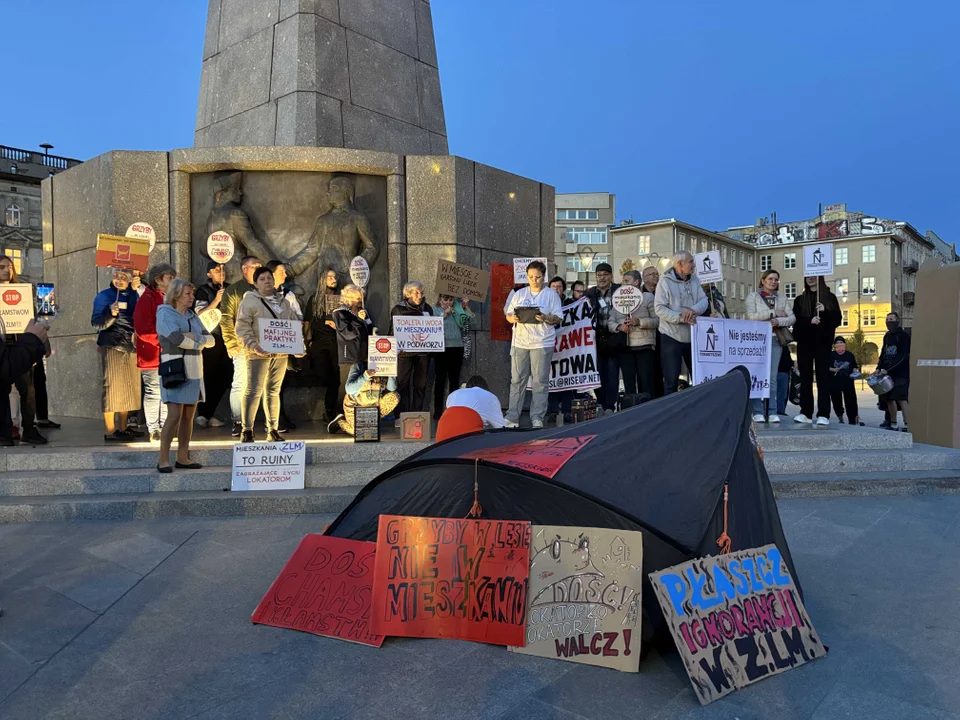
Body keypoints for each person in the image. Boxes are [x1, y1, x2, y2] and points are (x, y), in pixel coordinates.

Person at [235, 267, 302, 443]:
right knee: (253, 390)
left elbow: (294, 325)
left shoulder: (284, 302)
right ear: (255, 283)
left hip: (280, 353)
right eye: (262, 279)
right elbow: (242, 328)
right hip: (258, 353)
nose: (267, 281)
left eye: (269, 278)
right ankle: (247, 430)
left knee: (273, 391)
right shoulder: (249, 301)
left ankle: (272, 429)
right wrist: (253, 345)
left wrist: (298, 346)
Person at [155, 279, 215, 472]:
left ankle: (183, 456)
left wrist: (194, 337)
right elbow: (176, 339)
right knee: (174, 415)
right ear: (176, 294)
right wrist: (199, 342)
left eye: (192, 293)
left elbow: (212, 340)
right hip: (175, 367)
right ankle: (163, 458)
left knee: (188, 416)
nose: (192, 297)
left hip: (195, 369)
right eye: (188, 294)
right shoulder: (165, 313)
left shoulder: (193, 316)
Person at [504, 261, 562, 429]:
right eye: (530, 277)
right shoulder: (519, 293)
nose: (534, 280)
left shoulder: (551, 295)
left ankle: (537, 416)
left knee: (540, 381)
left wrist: (545, 317)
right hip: (520, 341)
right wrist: (512, 318)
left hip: (542, 342)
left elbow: (558, 318)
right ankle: (512, 416)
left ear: (544, 277)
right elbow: (508, 314)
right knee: (517, 380)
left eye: (537, 277)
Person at [91, 270, 144, 442]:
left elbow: (140, 315)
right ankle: (110, 430)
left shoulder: (134, 293)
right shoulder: (104, 296)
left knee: (130, 388)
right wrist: (111, 314)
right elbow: (96, 323)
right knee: (112, 388)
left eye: (123, 277)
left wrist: (137, 291)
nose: (119, 280)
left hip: (132, 345)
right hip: (112, 344)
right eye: (116, 276)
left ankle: (123, 427)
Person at [0, 255, 46, 445]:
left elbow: (32, 321)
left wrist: (35, 348)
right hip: (3, 349)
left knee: (28, 391)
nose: (6, 270)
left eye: (9, 267)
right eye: (2, 266)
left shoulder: (23, 294)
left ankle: (29, 428)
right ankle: (7, 429)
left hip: (21, 345)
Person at [745, 270, 795, 424]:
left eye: (776, 279)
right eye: (770, 279)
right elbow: (751, 316)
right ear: (763, 280)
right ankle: (757, 410)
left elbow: (792, 318)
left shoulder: (781, 298)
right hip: (756, 340)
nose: (773, 282)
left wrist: (778, 321)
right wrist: (773, 312)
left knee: (772, 377)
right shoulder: (753, 296)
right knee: (756, 375)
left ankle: (772, 410)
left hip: (774, 340)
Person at [655, 252, 707, 395]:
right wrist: (681, 318)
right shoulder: (664, 282)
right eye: (690, 262)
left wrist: (693, 310)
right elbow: (659, 308)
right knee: (671, 380)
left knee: (698, 378)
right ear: (679, 265)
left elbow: (704, 301)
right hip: (671, 336)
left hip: (692, 336)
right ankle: (670, 414)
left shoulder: (695, 280)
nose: (694, 265)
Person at [134, 263, 176, 442]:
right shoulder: (147, 298)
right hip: (152, 353)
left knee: (168, 391)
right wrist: (163, 341)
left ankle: (166, 427)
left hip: (170, 352)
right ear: (158, 280)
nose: (173, 281)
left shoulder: (172, 298)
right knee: (153, 392)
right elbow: (143, 328)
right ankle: (154, 429)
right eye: (170, 278)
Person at [221, 255, 262, 436]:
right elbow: (226, 318)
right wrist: (230, 343)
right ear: (244, 269)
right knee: (240, 383)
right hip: (242, 345)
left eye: (260, 266)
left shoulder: (264, 289)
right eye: (255, 266)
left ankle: (255, 421)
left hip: (263, 345)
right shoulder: (234, 290)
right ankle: (238, 420)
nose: (259, 268)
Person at [792, 276, 841, 425]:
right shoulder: (800, 300)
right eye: (807, 276)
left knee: (823, 378)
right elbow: (796, 324)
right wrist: (809, 321)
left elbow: (837, 320)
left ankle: (823, 413)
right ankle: (805, 412)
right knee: (805, 378)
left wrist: (825, 311)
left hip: (822, 344)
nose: (810, 279)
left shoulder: (829, 297)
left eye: (814, 276)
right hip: (805, 344)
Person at [266, 260, 305, 432]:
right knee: (269, 385)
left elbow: (298, 316)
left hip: (285, 344)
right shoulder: (260, 296)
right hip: (267, 347)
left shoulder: (288, 295)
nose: (286, 274)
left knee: (282, 382)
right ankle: (271, 421)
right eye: (282, 271)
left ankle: (280, 416)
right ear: (272, 274)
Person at [608, 269, 659, 398]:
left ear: (636, 282)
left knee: (646, 381)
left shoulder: (648, 297)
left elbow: (657, 321)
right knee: (628, 383)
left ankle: (648, 408)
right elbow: (610, 321)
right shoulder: (619, 299)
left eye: (626, 281)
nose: (623, 284)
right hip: (625, 346)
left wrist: (639, 322)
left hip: (644, 345)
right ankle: (630, 409)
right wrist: (619, 326)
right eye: (622, 281)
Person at [0, 319, 48, 448]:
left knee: (28, 392)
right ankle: (14, 426)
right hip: (15, 355)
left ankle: (28, 429)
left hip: (20, 355)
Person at [390, 281, 434, 415]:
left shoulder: (427, 308)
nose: (420, 295)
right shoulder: (398, 309)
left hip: (422, 353)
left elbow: (432, 330)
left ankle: (417, 414)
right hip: (404, 353)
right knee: (402, 384)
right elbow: (392, 331)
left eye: (421, 292)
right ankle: (400, 415)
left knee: (420, 385)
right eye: (416, 292)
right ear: (407, 293)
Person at [193, 261, 228, 428]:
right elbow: (200, 313)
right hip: (210, 337)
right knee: (209, 376)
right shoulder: (202, 291)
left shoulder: (229, 288)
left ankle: (211, 412)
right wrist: (216, 300)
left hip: (227, 337)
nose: (221, 272)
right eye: (216, 270)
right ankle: (203, 413)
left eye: (222, 269)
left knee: (225, 376)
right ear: (209, 274)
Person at [584, 263, 621, 414]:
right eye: (599, 275)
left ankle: (610, 406)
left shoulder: (619, 291)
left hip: (614, 335)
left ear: (611, 276)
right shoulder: (590, 293)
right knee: (597, 372)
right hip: (595, 337)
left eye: (605, 274)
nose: (602, 278)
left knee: (613, 373)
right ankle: (601, 402)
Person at [332, 284, 373, 419]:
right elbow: (348, 333)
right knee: (345, 386)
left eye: (361, 298)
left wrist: (365, 320)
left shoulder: (362, 312)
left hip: (363, 355)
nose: (360, 301)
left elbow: (369, 329)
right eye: (357, 298)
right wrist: (358, 320)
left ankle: (354, 416)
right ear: (349, 298)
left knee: (360, 387)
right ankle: (338, 414)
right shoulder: (339, 313)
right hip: (348, 356)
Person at [309, 268, 344, 422]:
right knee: (323, 375)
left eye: (334, 276)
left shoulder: (342, 298)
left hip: (336, 341)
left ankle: (330, 409)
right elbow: (307, 322)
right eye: (330, 277)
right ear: (322, 279)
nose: (333, 279)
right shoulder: (314, 300)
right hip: (319, 342)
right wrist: (307, 340)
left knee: (335, 377)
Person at [431, 294, 474, 419]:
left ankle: (453, 409)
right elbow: (431, 325)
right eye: (445, 300)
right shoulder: (434, 310)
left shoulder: (457, 309)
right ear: (440, 300)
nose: (448, 303)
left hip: (457, 347)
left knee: (454, 380)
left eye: (451, 300)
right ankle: (438, 411)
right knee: (440, 380)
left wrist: (465, 307)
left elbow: (469, 320)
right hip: (441, 348)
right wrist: (445, 314)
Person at [330, 362, 400, 436]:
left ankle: (371, 420)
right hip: (355, 406)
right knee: (358, 431)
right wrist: (365, 376)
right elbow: (349, 389)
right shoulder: (359, 366)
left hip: (373, 407)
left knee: (395, 396)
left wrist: (392, 372)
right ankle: (340, 421)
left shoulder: (384, 365)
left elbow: (392, 389)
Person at [546, 277, 574, 424]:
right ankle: (552, 410)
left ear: (563, 290)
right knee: (551, 378)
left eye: (559, 287)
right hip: (550, 345)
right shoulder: (544, 303)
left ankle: (567, 410)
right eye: (553, 286)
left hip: (567, 347)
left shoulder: (570, 304)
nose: (556, 289)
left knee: (566, 378)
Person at [877, 312, 911, 432]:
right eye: (887, 319)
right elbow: (883, 353)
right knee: (889, 398)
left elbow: (903, 356)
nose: (889, 322)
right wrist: (878, 368)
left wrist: (889, 369)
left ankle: (908, 424)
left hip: (901, 373)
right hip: (887, 374)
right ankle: (893, 423)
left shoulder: (903, 336)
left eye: (891, 319)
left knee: (901, 398)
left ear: (897, 321)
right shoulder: (887, 336)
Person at [641, 266, 664, 398]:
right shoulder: (639, 295)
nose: (655, 276)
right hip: (646, 339)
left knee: (661, 372)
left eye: (657, 274)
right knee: (647, 374)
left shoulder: (662, 293)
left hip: (662, 337)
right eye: (651, 274)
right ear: (644, 278)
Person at [829, 336, 860, 425]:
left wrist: (855, 373)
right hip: (835, 381)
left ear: (844, 344)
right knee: (836, 400)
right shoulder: (831, 355)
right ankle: (840, 417)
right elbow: (826, 367)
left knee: (851, 400)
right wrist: (833, 369)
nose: (839, 344)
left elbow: (854, 366)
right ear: (834, 345)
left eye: (841, 342)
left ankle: (853, 419)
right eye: (837, 343)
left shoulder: (849, 355)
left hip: (848, 381)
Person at [777, 345, 796, 417]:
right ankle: (780, 410)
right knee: (782, 392)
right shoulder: (788, 344)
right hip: (783, 369)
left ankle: (779, 409)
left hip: (784, 369)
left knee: (782, 392)